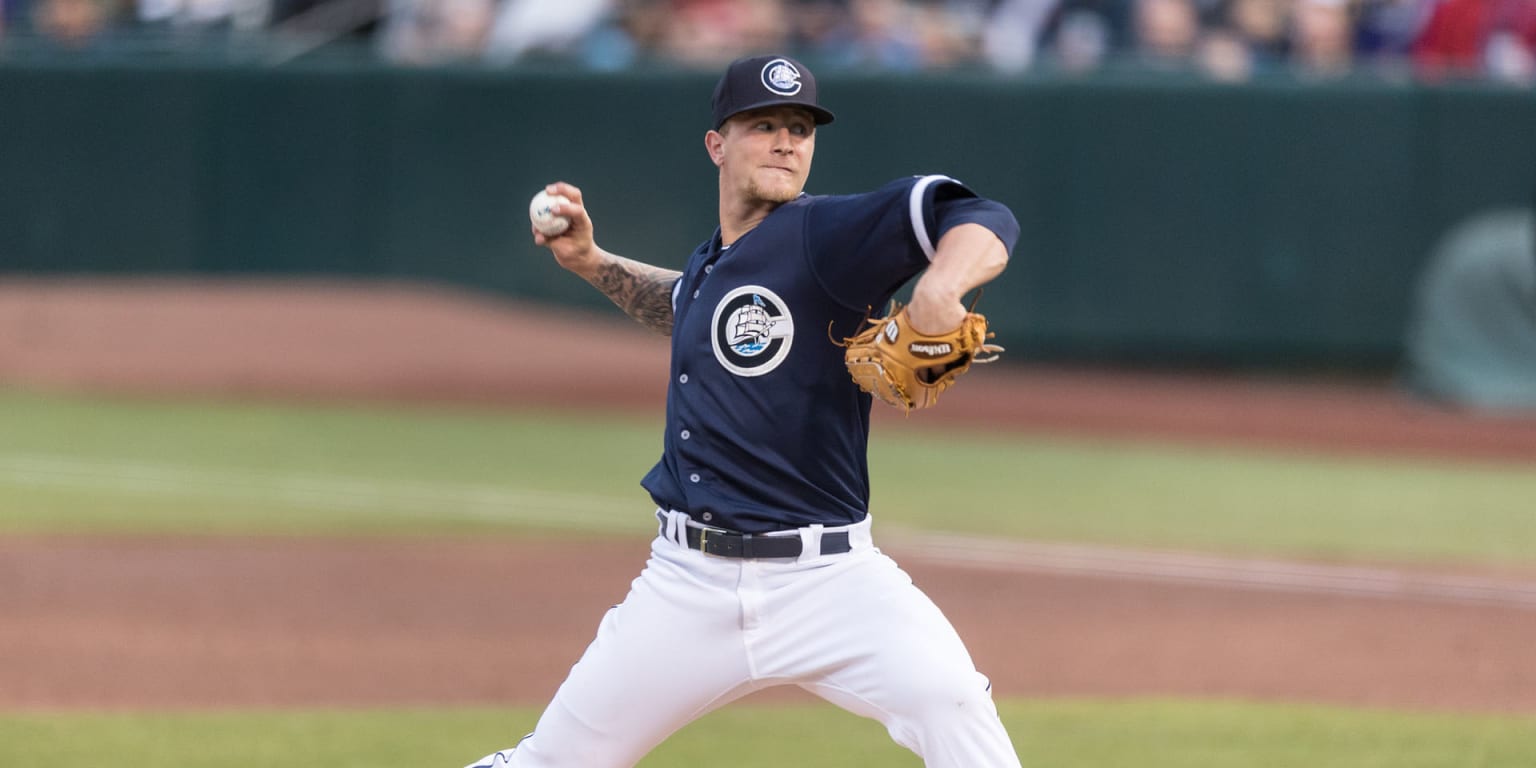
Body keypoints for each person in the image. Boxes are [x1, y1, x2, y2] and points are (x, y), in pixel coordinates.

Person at [464, 53, 1022, 768]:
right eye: (764, 125)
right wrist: (591, 261)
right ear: (717, 145)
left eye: (800, 127)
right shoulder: (714, 264)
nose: (787, 141)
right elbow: (689, 308)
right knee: (551, 762)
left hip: (832, 583)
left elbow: (978, 214)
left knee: (957, 714)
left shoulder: (827, 239)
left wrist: (942, 287)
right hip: (684, 586)